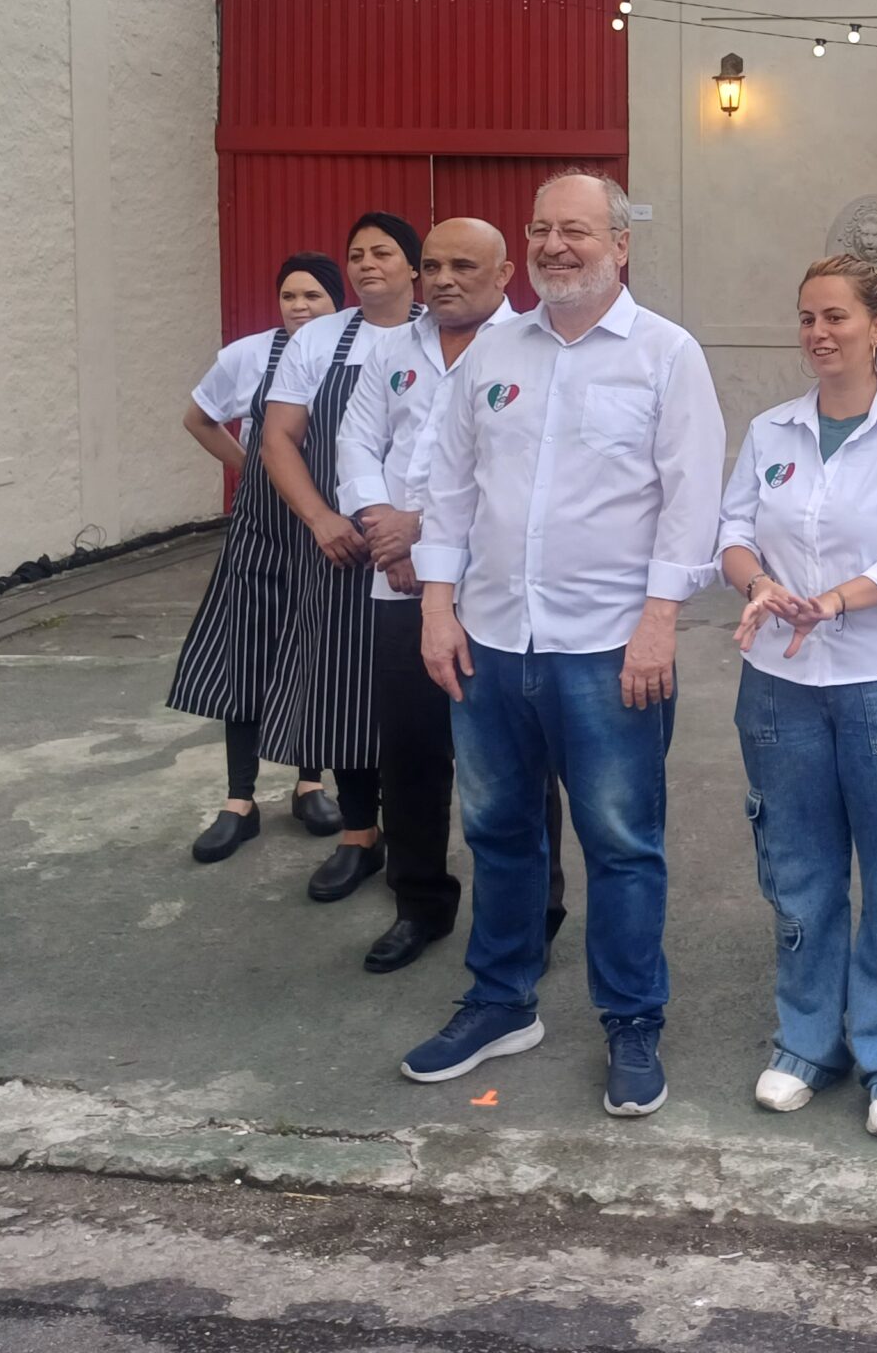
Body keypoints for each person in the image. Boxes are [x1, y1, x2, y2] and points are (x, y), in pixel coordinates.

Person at [403, 170, 724, 1118]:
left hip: (610, 648)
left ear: (620, 244)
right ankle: (501, 1002)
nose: (554, 246)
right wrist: (435, 606)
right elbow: (451, 490)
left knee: (622, 844)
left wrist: (658, 623)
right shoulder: (494, 353)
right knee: (499, 832)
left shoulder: (666, 356)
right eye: (540, 230)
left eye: (575, 231)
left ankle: (631, 1020)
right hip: (492, 640)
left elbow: (690, 501)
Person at [716, 255, 877, 1139]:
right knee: (800, 873)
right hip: (781, 687)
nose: (818, 334)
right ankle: (808, 1042)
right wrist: (757, 589)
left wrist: (831, 600)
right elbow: (733, 532)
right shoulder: (771, 430)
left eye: (836, 319)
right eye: (807, 317)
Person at [334, 217, 567, 976]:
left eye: (463, 265)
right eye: (430, 265)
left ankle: (537, 910)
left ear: (505, 275)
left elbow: (527, 474)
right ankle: (421, 904)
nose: (441, 280)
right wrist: (383, 532)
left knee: (518, 757)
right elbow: (356, 445)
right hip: (396, 581)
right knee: (410, 752)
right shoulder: (390, 351)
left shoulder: (536, 351)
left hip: (498, 587)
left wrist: (420, 530)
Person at [261, 213, 424, 905]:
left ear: (415, 266)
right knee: (342, 689)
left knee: (419, 697)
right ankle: (360, 834)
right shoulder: (319, 339)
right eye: (355, 255)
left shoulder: (443, 334)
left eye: (382, 252)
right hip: (338, 546)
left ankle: (421, 841)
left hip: (424, 547)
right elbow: (278, 440)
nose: (365, 265)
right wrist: (322, 518)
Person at [168, 251, 349, 862]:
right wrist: (255, 466)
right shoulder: (247, 355)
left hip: (327, 529)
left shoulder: (351, 352)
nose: (300, 307)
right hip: (263, 531)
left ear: (337, 301)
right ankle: (238, 802)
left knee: (317, 656)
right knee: (244, 655)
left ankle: (309, 783)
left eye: (314, 297)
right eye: (290, 296)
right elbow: (198, 418)